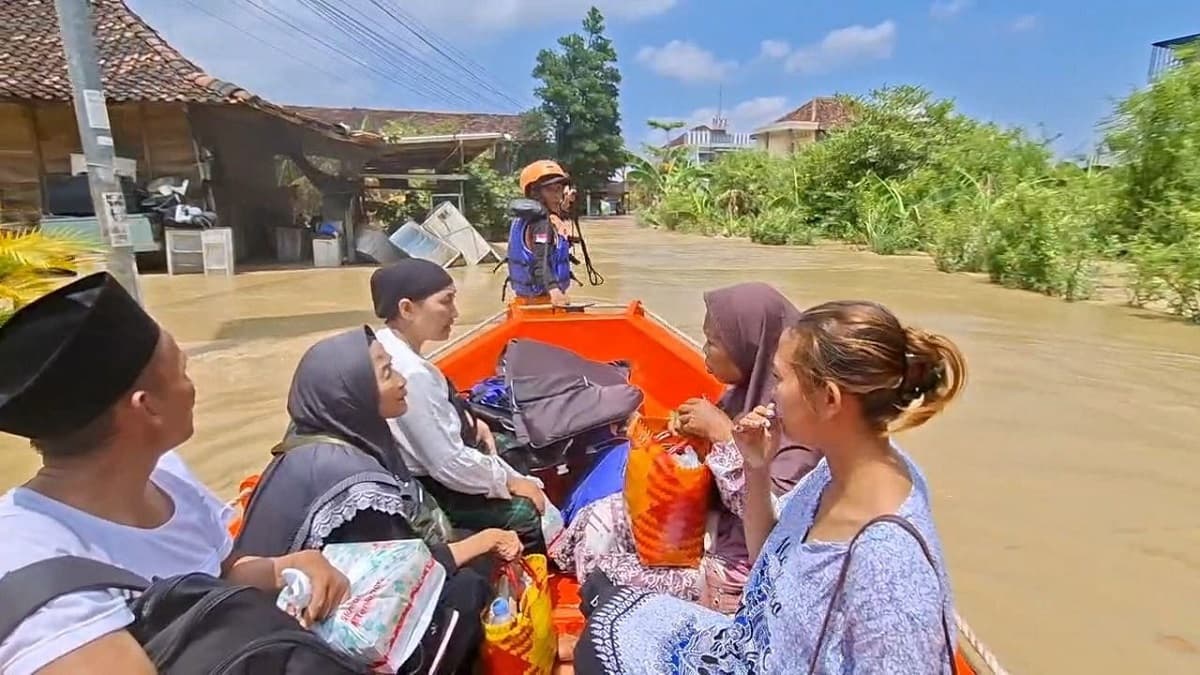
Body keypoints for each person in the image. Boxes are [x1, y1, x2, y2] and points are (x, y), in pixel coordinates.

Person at [574, 300, 968, 674]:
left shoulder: (888, 567)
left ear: (828, 399)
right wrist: (757, 468)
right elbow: (769, 556)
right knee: (603, 599)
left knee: (594, 650)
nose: (772, 392)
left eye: (779, 378)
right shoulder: (836, 470)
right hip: (747, 648)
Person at [0, 272, 348, 675]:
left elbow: (219, 571)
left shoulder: (165, 475)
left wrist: (284, 567)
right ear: (147, 407)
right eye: (183, 371)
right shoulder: (30, 560)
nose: (192, 388)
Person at [234, 327, 521, 674]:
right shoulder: (349, 478)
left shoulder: (315, 436)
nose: (401, 380)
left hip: (285, 611)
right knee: (469, 587)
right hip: (299, 646)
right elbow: (404, 570)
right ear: (352, 393)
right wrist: (487, 540)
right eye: (387, 373)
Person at [549, 282, 821, 609]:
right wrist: (691, 437)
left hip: (734, 571)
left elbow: (772, 522)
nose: (705, 350)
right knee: (602, 515)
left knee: (603, 576)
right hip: (705, 528)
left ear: (747, 346)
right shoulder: (743, 395)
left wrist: (722, 434)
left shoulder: (797, 422)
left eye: (714, 342)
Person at [370, 259, 549, 552]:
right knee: (525, 513)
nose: (455, 313)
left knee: (506, 445)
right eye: (446, 301)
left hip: (427, 465)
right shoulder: (411, 373)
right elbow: (449, 465)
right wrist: (512, 483)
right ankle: (531, 565)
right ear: (407, 309)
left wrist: (472, 423)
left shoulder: (387, 346)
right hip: (431, 486)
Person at [504, 159, 577, 306]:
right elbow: (540, 261)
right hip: (542, 302)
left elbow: (555, 216)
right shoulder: (541, 224)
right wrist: (554, 290)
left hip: (525, 300)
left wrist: (566, 206)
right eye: (549, 190)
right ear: (535, 193)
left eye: (558, 189)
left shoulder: (528, 217)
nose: (556, 196)